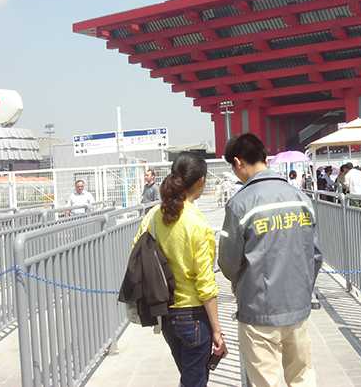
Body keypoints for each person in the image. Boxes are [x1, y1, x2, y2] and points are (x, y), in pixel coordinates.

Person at [218, 134, 319, 387]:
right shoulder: (300, 198)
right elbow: (315, 254)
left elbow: (228, 262)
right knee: (303, 375)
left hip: (258, 309)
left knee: (266, 380)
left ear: (238, 162)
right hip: (297, 304)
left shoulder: (240, 204)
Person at [133, 153, 227, 387]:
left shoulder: (154, 215)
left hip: (166, 314)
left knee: (189, 378)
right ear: (200, 181)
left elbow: (137, 250)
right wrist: (217, 330)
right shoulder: (197, 222)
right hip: (194, 316)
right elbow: (205, 283)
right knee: (194, 381)